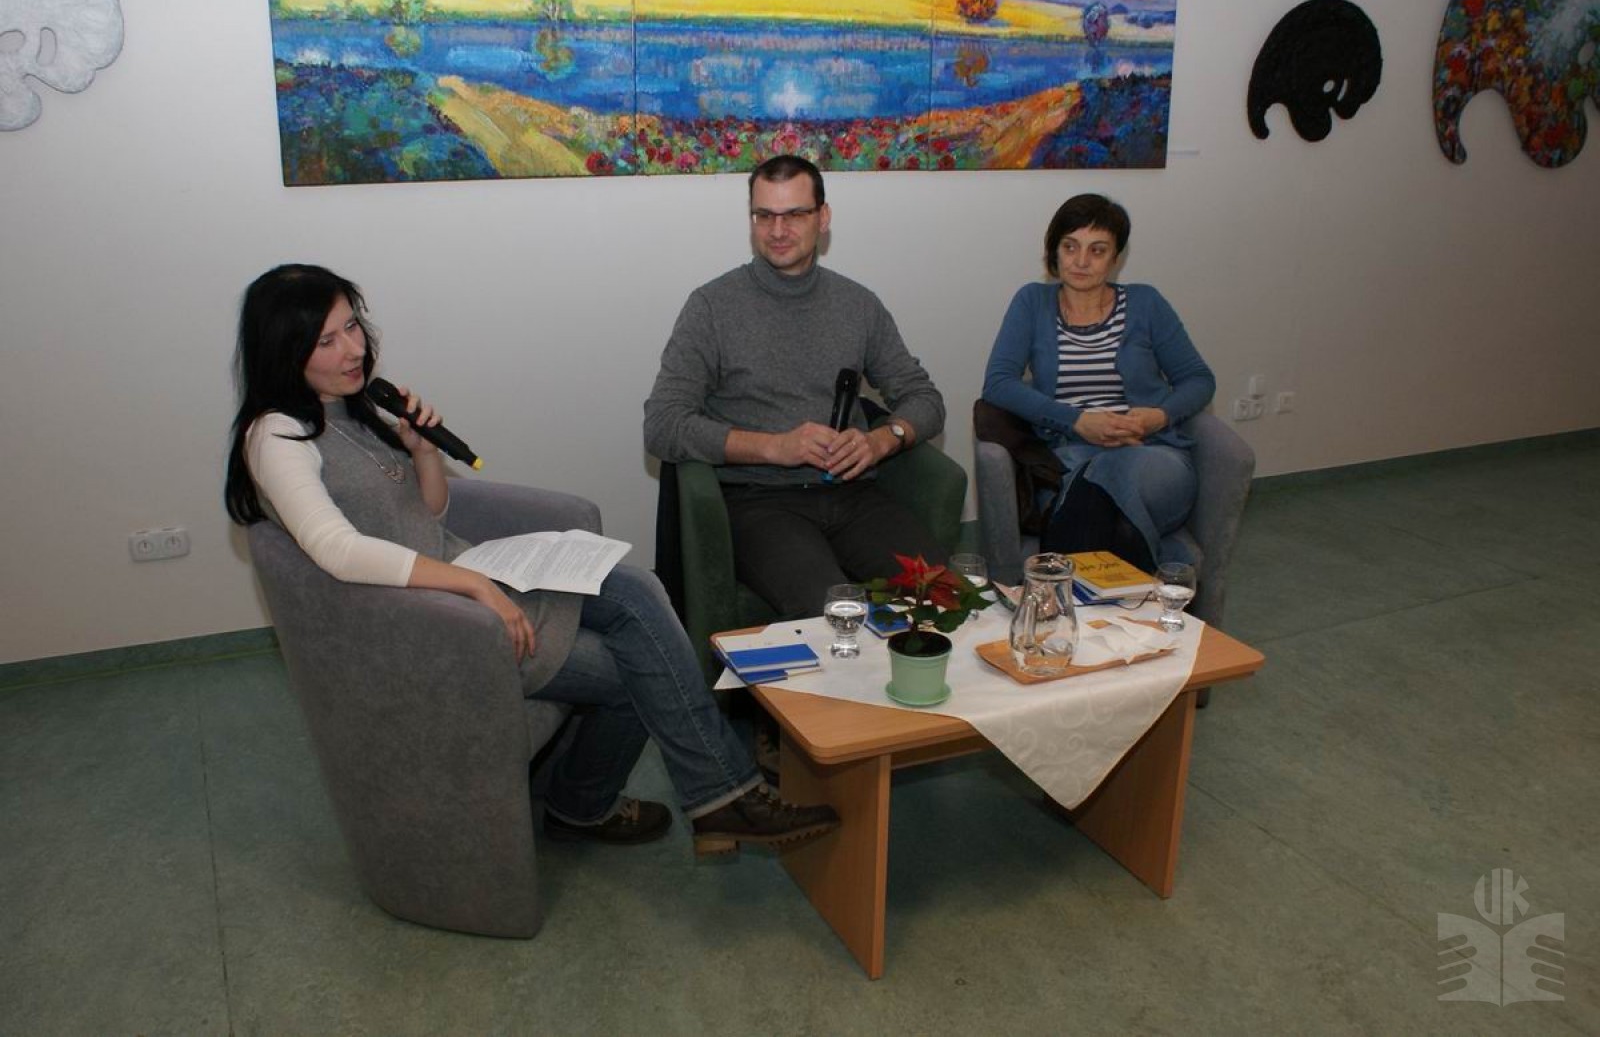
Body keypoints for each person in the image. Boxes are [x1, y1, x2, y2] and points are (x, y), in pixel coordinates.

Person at [224, 263, 838, 857]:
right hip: (434, 626)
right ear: (285, 351)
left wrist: (421, 450)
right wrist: (474, 587)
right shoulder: (276, 435)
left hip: (463, 581)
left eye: (351, 327)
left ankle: (712, 796)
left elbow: (425, 515)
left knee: (637, 590)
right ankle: (605, 802)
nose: (353, 349)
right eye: (326, 341)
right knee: (638, 667)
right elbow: (338, 550)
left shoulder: (348, 409)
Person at [643, 154, 949, 619]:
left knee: (944, 596)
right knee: (831, 611)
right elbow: (663, 425)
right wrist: (775, 447)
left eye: (794, 215)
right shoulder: (711, 307)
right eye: (764, 215)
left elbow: (924, 399)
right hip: (759, 501)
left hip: (853, 496)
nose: (777, 230)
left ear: (823, 218)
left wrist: (882, 441)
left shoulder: (858, 305)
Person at [981, 194, 1216, 572]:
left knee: (1107, 476)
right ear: (1054, 250)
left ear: (1115, 258)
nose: (1081, 261)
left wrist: (1156, 417)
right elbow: (998, 383)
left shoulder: (1146, 303)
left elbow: (1199, 380)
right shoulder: (1032, 302)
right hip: (1071, 459)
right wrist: (1077, 421)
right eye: (1070, 246)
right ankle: (1155, 582)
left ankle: (1058, 590)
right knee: (1106, 511)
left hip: (1153, 458)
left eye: (1097, 250)